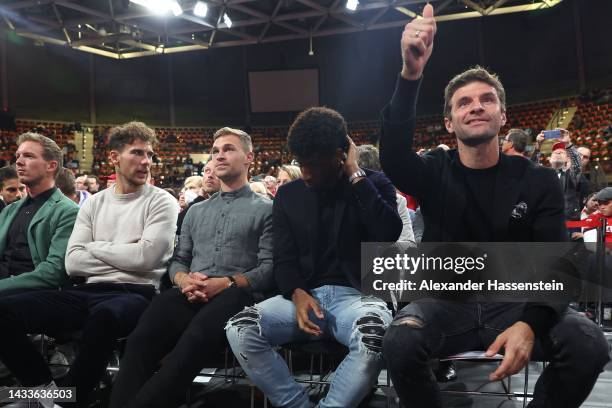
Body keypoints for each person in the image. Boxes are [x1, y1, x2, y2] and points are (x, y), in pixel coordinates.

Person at [378, 5, 609, 407]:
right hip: (446, 301)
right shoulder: (435, 169)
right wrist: (411, 74)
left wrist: (529, 322)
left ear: (502, 115)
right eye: (464, 102)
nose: (476, 106)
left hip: (516, 299)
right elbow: (393, 157)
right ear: (450, 122)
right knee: (400, 340)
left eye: (487, 99)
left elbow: (558, 262)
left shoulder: (536, 180)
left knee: (589, 342)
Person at [226, 107, 402, 408]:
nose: (305, 173)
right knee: (240, 327)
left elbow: (388, 232)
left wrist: (354, 174)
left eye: (315, 164)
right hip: (301, 298)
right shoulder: (288, 195)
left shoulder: (371, 184)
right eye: (301, 163)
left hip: (358, 297)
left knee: (373, 336)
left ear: (339, 155)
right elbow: (283, 259)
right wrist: (297, 294)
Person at [0, 122, 178, 407]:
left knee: (105, 316)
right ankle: (45, 392)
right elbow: (73, 263)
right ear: (114, 158)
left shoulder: (162, 201)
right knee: (3, 310)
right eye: (137, 153)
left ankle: (73, 397)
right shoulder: (94, 203)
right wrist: (123, 253)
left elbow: (147, 258)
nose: (146, 161)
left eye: (149, 154)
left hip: (137, 292)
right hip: (86, 290)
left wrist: (95, 248)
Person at [110, 127, 273, 408]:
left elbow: (269, 267)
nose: (220, 156)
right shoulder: (196, 211)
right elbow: (179, 259)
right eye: (215, 151)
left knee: (191, 344)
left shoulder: (268, 209)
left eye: (228, 149)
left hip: (237, 294)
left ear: (249, 158)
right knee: (140, 340)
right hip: (190, 290)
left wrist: (226, 283)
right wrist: (183, 279)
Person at [0, 134, 78, 295]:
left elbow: (54, 273)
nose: (19, 162)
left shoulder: (68, 211)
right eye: (18, 156)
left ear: (51, 166)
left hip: (35, 296)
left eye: (28, 156)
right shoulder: (9, 210)